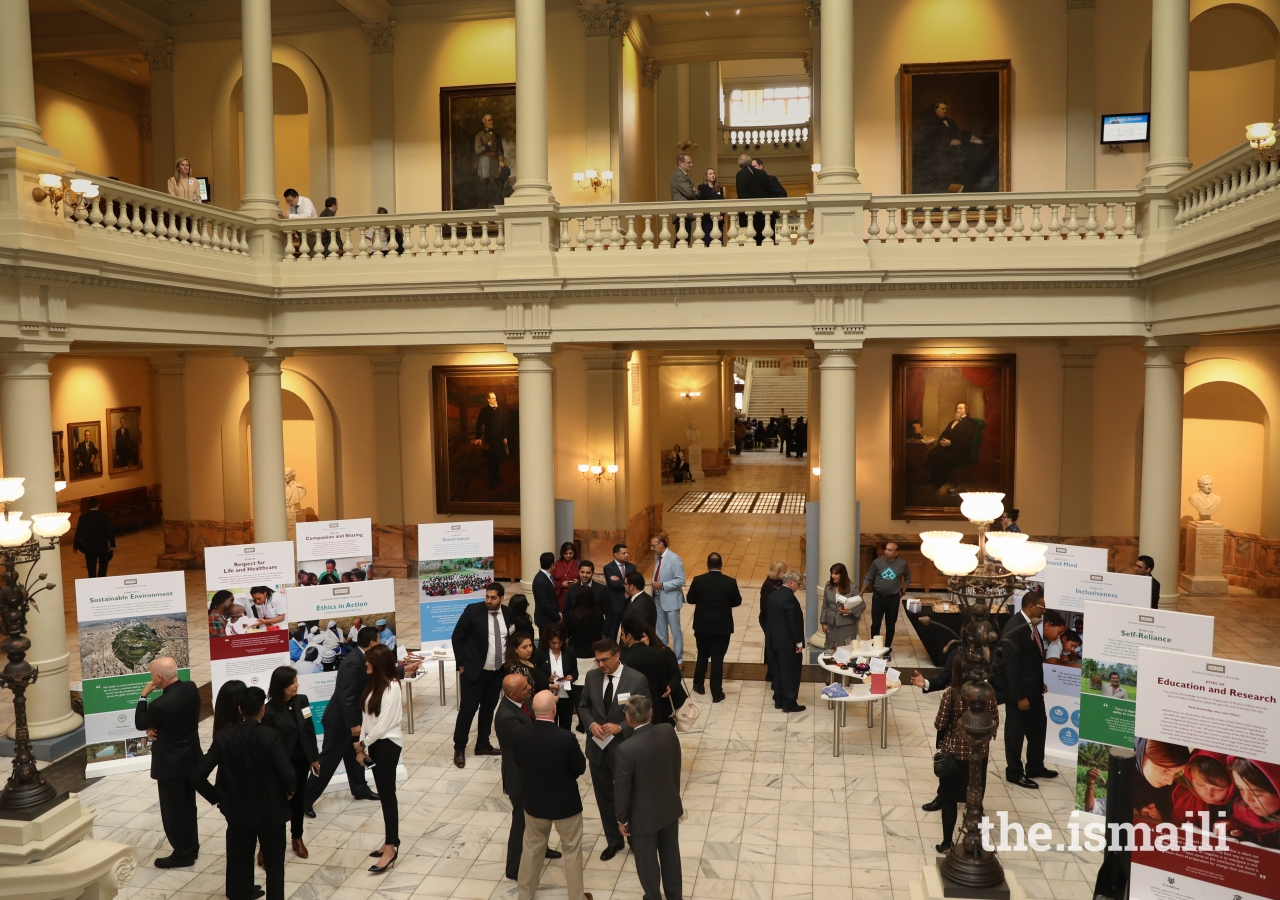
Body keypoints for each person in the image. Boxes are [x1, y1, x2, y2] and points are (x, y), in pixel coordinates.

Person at [201, 686, 294, 900]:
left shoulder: (224, 738)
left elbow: (198, 774)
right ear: (263, 709)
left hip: (237, 812)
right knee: (275, 866)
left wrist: (216, 796)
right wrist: (290, 791)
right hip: (271, 812)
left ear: (240, 708)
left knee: (239, 863)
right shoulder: (271, 736)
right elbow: (287, 773)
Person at [306, 625, 408, 808]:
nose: (381, 642)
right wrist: (354, 725)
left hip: (352, 721)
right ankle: (304, 800)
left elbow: (378, 674)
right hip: (340, 722)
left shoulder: (366, 658)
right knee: (328, 762)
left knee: (355, 757)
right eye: (379, 640)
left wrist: (404, 671)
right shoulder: (354, 662)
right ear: (372, 643)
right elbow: (345, 697)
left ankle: (360, 788)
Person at [135, 657, 211, 868]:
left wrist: (143, 695)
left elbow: (141, 722)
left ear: (159, 677)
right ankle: (192, 847)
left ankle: (183, 853)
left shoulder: (160, 704)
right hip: (191, 759)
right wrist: (155, 726)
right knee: (188, 806)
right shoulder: (191, 688)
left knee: (174, 811)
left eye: (152, 676)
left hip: (170, 765)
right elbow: (173, 719)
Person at [515, 691, 591, 900]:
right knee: (572, 850)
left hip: (534, 802)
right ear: (554, 709)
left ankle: (525, 895)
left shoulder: (521, 734)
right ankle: (577, 897)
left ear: (533, 708)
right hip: (565, 804)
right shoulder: (566, 738)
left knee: (531, 848)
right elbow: (580, 767)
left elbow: (519, 762)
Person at [579, 638, 651, 860]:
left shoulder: (636, 679)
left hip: (624, 749)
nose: (601, 665)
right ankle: (614, 841)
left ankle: (635, 839)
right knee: (604, 797)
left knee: (629, 796)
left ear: (617, 655)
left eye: (605, 660)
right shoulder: (591, 677)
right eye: (598, 660)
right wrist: (591, 725)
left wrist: (620, 727)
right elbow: (583, 707)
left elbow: (646, 712)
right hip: (598, 749)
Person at [495, 674, 565, 880]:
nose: (530, 688)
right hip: (520, 776)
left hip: (533, 771)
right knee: (521, 822)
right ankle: (514, 867)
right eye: (525, 687)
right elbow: (530, 739)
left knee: (540, 815)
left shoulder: (522, 700)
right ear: (512, 693)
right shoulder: (506, 716)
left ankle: (541, 848)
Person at [615, 694, 684, 900]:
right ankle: (675, 896)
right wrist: (673, 791)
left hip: (642, 815)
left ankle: (653, 896)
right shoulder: (667, 731)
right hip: (669, 805)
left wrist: (622, 818)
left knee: (647, 863)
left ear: (628, 719)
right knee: (671, 856)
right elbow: (676, 765)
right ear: (651, 713)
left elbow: (622, 788)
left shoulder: (626, 749)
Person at [932, 653, 999, 854]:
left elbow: (940, 723)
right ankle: (974, 845)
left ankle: (946, 843)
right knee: (975, 803)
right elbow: (995, 720)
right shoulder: (987, 694)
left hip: (953, 756)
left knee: (949, 800)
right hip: (978, 756)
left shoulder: (951, 695)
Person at [450, 582, 514, 768]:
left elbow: (509, 639)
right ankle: (459, 747)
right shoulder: (472, 611)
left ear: (502, 598)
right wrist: (461, 665)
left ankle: (483, 744)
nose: (489, 600)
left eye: (493, 597)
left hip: (496, 673)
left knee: (488, 709)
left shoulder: (508, 614)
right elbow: (457, 637)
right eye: (487, 596)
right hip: (473, 672)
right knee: (468, 710)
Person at [996, 591, 1055, 790]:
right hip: (1020, 695)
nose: (1044, 611)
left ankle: (1035, 766)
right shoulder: (1015, 628)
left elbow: (1031, 660)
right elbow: (1011, 667)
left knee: (1038, 731)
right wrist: (1019, 696)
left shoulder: (1030, 624)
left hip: (1035, 691)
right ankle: (1014, 772)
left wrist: (1040, 682)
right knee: (1015, 734)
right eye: (1042, 607)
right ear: (1031, 606)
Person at [262, 666, 320, 860]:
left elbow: (309, 728)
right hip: (281, 765)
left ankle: (297, 838)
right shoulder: (269, 711)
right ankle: (265, 846)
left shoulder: (301, 700)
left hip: (302, 761)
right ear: (281, 686)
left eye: (296, 681)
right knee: (276, 805)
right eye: (293, 682)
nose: (297, 685)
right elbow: (267, 743)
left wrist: (314, 757)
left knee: (298, 799)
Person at [357, 644, 403, 873]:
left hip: (387, 746)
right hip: (373, 744)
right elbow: (367, 719)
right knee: (385, 795)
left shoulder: (393, 687)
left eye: (369, 661)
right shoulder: (373, 684)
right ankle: (389, 841)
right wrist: (361, 747)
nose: (365, 664)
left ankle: (391, 847)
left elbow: (384, 724)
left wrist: (363, 743)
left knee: (387, 796)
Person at [686, 552, 742, 702]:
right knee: (718, 658)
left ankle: (698, 685)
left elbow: (690, 599)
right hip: (722, 627)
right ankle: (717, 693)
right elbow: (737, 601)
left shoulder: (698, 580)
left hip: (702, 625)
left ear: (707, 565)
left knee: (702, 654)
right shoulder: (730, 582)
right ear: (721, 564)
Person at [619, 620, 683, 727]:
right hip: (654, 706)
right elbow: (661, 680)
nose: (621, 638)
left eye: (622, 634)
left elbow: (675, 675)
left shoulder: (625, 658)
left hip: (649, 707)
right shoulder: (657, 655)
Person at [764, 571, 806, 712]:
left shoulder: (773, 595)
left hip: (773, 641)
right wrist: (799, 642)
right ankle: (789, 702)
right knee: (790, 673)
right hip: (787, 643)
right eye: (798, 584)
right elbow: (794, 623)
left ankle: (778, 699)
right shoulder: (789, 598)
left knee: (777, 672)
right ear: (791, 582)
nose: (798, 587)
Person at [862, 542, 910, 660]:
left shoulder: (902, 564)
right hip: (878, 597)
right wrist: (861, 591)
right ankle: (874, 648)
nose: (887, 552)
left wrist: (903, 591)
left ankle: (887, 648)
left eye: (890, 550)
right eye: (886, 549)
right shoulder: (877, 562)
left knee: (890, 625)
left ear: (896, 552)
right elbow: (869, 576)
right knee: (876, 624)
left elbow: (908, 576)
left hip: (893, 599)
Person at [649, 533, 687, 665]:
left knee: (675, 631)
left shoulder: (674, 559)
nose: (651, 548)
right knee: (660, 631)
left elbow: (681, 580)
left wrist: (663, 585)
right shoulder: (657, 557)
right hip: (658, 598)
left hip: (670, 600)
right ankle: (662, 656)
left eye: (653, 545)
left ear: (661, 544)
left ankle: (678, 659)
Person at [927, 402, 979, 492]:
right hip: (948, 446)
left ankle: (941, 480)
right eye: (957, 408)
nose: (958, 410)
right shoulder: (953, 421)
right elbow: (945, 433)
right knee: (932, 454)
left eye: (961, 408)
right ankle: (934, 479)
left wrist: (950, 442)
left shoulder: (970, 423)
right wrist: (941, 441)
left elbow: (966, 440)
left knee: (946, 457)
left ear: (966, 410)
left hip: (961, 449)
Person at [534, 625, 578, 729]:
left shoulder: (569, 652)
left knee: (565, 727)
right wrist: (548, 680)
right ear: (547, 640)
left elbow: (575, 672)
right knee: (550, 727)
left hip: (566, 696)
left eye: (560, 642)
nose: (557, 645)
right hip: (548, 697)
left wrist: (571, 677)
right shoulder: (540, 653)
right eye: (553, 643)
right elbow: (536, 674)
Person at [820, 562, 863, 650]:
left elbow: (862, 605)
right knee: (831, 651)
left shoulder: (852, 588)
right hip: (831, 626)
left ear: (842, 575)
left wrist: (849, 611)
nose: (833, 576)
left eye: (836, 573)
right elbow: (825, 605)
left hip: (846, 625)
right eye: (832, 573)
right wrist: (823, 623)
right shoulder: (828, 586)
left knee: (845, 651)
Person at [472, 391, 508, 489]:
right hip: (490, 439)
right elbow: (479, 424)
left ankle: (496, 478)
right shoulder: (484, 410)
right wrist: (479, 437)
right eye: (493, 398)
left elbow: (503, 424)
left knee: (497, 460)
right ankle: (492, 481)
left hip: (499, 439)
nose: (495, 400)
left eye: (495, 398)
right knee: (490, 460)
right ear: (488, 399)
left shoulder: (499, 410)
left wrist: (504, 437)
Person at [565, 575, 605, 663]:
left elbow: (567, 634)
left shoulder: (570, 615)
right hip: (593, 653)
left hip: (575, 653)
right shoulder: (598, 615)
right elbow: (601, 631)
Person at [759, 560, 787, 683]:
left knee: (771, 644)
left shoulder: (780, 582)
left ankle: (772, 671)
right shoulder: (768, 585)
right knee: (771, 645)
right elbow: (765, 606)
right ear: (777, 572)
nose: (785, 574)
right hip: (768, 621)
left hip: (776, 620)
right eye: (783, 572)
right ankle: (771, 671)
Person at [73, 496, 115, 577]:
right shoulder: (104, 517)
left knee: (91, 569)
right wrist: (113, 544)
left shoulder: (83, 518)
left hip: (89, 548)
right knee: (103, 565)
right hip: (102, 546)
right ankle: (101, 580)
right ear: (98, 505)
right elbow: (110, 532)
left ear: (88, 506)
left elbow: (78, 532)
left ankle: (93, 583)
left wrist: (75, 546)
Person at [602, 544, 637, 640]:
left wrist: (620, 580)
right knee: (612, 633)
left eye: (627, 553)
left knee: (627, 634)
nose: (626, 555)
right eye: (624, 553)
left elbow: (634, 582)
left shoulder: (632, 567)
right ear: (616, 555)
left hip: (629, 604)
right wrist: (627, 581)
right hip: (615, 605)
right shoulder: (608, 568)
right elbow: (613, 585)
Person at [533, 551, 562, 641]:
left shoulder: (545, 577)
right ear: (552, 564)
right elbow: (545, 605)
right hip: (545, 620)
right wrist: (557, 616)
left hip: (549, 619)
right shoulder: (541, 581)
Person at [697, 167, 724, 246]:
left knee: (718, 242)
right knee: (708, 241)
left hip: (719, 220)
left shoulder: (719, 189)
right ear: (706, 176)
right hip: (707, 220)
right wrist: (710, 216)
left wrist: (722, 215)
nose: (713, 175)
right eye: (710, 174)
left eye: (714, 173)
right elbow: (702, 204)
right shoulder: (701, 188)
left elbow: (722, 203)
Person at [552, 543, 580, 615]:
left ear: (574, 552)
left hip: (576, 595)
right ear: (562, 553)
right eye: (566, 553)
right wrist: (561, 584)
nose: (568, 556)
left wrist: (578, 582)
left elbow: (585, 578)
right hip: (560, 596)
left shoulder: (579, 564)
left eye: (570, 553)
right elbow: (552, 580)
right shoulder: (557, 564)